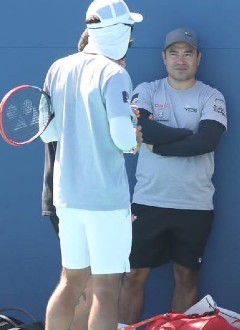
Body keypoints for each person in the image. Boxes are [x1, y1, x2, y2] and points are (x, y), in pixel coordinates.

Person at [39, 0, 143, 329]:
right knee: (106, 290)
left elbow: (48, 133)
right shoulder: (116, 73)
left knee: (71, 283)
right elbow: (125, 140)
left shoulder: (57, 67)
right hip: (105, 201)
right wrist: (134, 135)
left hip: (67, 199)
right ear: (121, 32)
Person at [118, 27, 227, 324]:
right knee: (133, 276)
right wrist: (183, 135)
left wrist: (160, 146)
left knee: (186, 277)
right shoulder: (147, 90)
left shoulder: (211, 96)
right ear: (164, 58)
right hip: (148, 201)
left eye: (188, 53)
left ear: (198, 59)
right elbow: (145, 129)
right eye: (175, 53)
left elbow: (206, 141)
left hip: (194, 205)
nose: (181, 60)